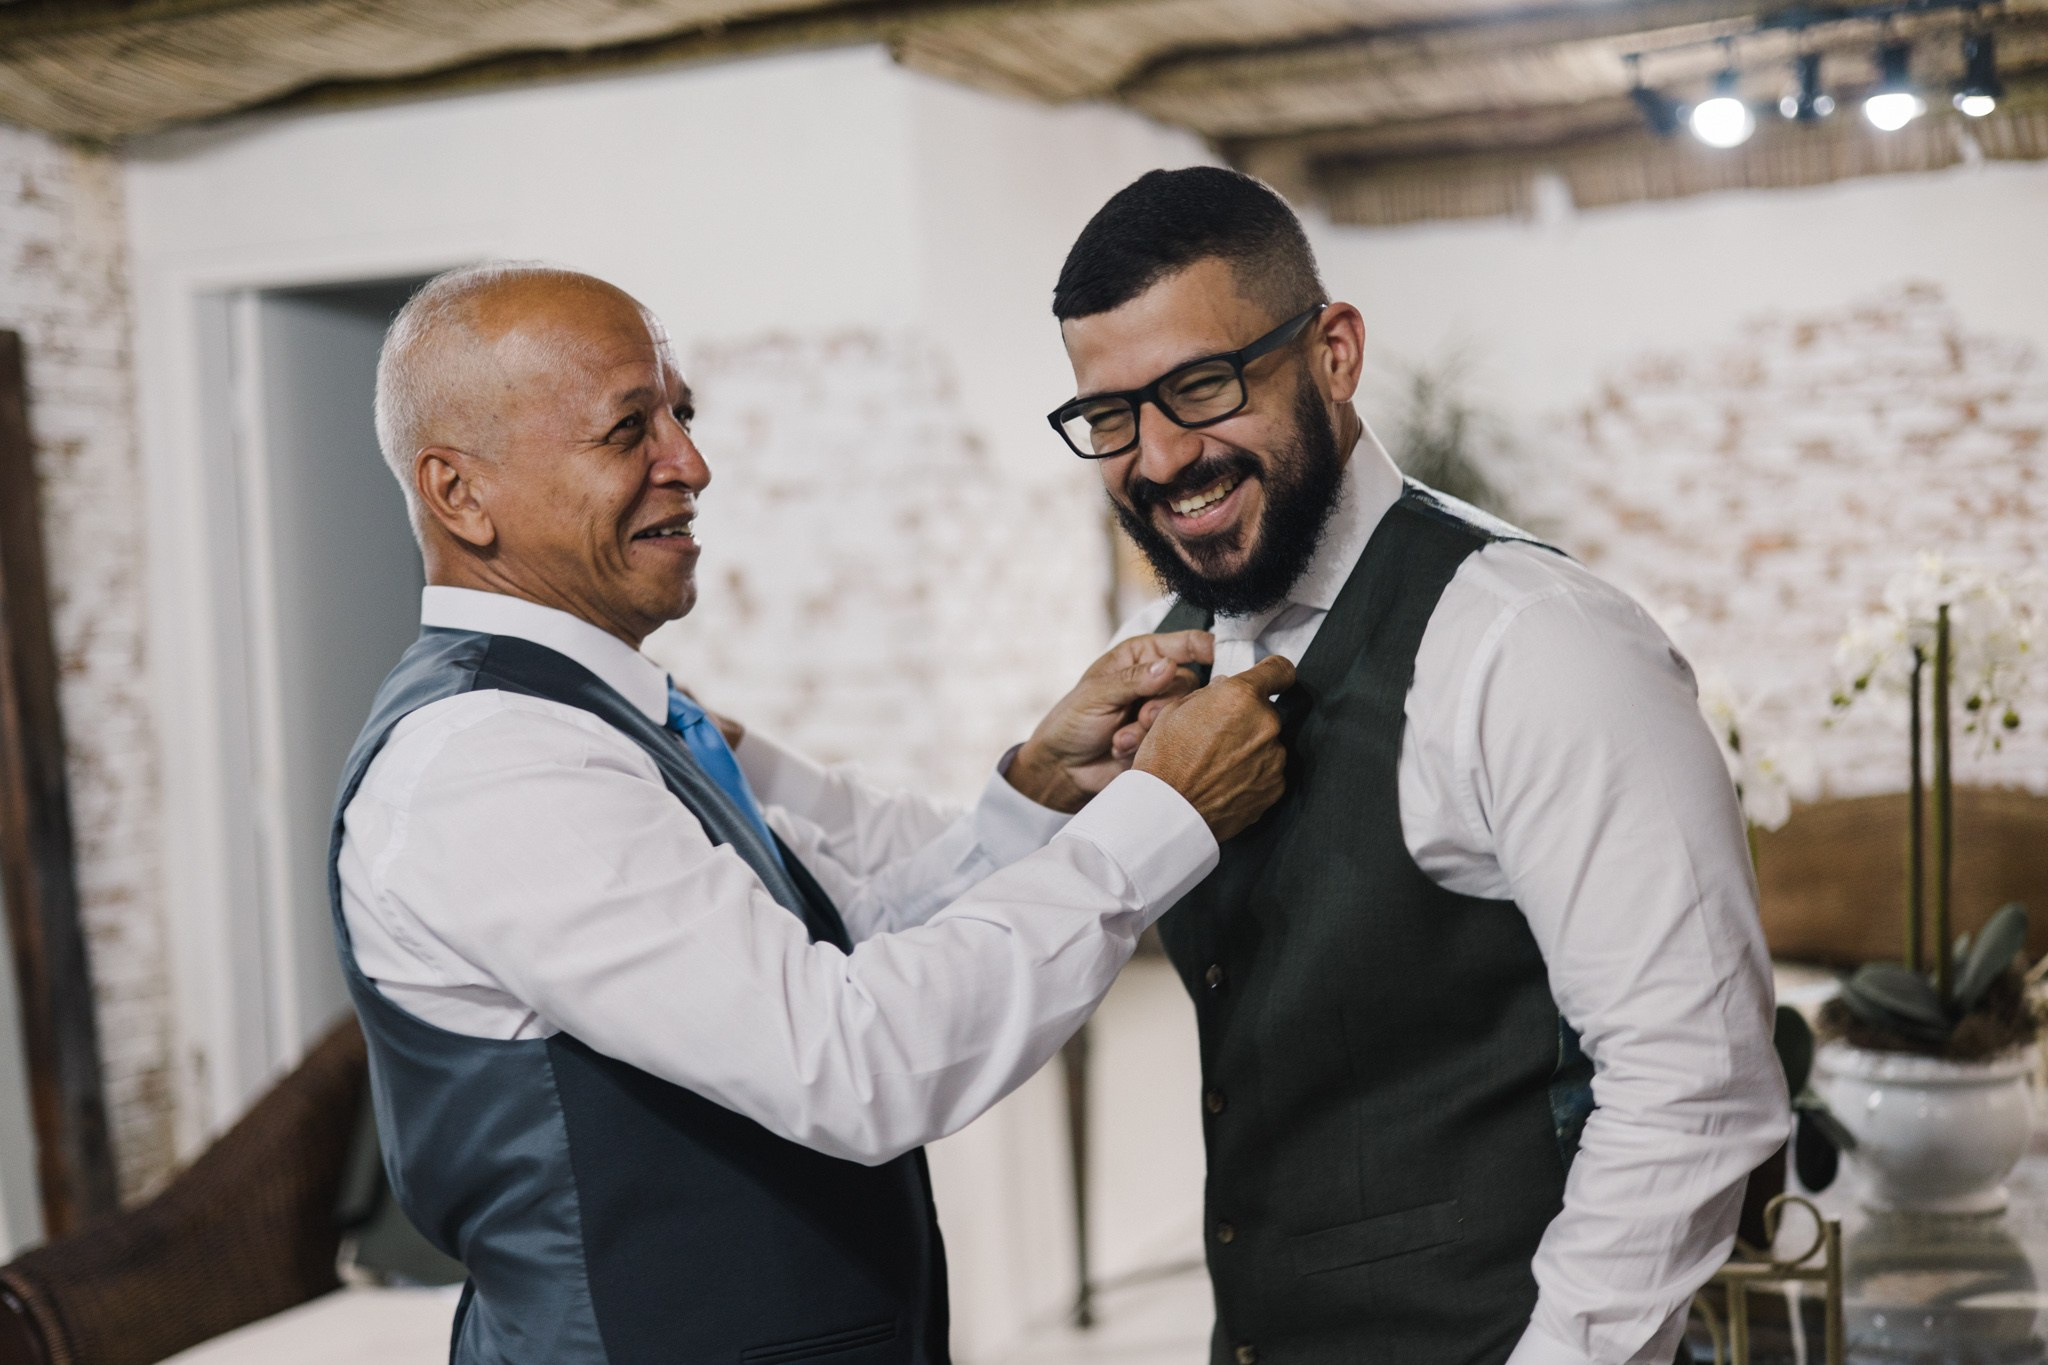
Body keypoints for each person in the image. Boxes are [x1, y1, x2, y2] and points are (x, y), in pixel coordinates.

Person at [333, 262, 1294, 1365]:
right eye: (624, 429)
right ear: (459, 494)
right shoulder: (491, 764)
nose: (690, 464)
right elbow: (849, 1061)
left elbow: (857, 925)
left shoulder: (611, 718)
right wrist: (1163, 819)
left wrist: (1044, 785)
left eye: (680, 414)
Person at [1042, 167, 1789, 1365]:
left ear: (1331, 352)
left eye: (1199, 385)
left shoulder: (1534, 642)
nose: (1160, 456)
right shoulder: (1178, 655)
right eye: (1111, 415)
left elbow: (1695, 1082)